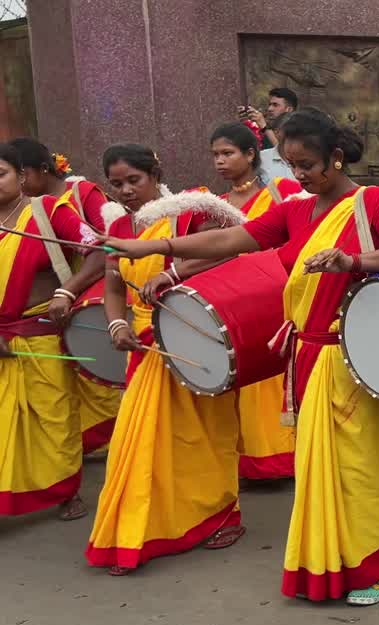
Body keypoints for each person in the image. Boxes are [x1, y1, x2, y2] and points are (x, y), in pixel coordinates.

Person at [102, 110, 379, 604]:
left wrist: (353, 261)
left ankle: (375, 568)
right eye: (292, 164)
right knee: (323, 470)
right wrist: (155, 249)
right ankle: (330, 566)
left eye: (308, 165)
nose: (299, 175)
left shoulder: (372, 201)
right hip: (310, 357)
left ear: (336, 158)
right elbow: (233, 238)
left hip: (359, 354)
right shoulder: (296, 210)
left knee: (364, 469)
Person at [85, 144, 246, 574]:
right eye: (116, 184)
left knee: (201, 437)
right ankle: (140, 531)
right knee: (138, 443)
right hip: (141, 346)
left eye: (133, 181)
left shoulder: (191, 209)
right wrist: (116, 325)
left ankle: (220, 513)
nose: (125, 191)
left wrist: (175, 273)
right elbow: (114, 284)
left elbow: (233, 250)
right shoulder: (118, 224)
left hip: (193, 338)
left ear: (155, 173)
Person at [0, 142, 106, 522]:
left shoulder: (47, 211)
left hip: (41, 330)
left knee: (54, 417)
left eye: (1, 174)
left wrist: (67, 291)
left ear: (23, 176)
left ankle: (65, 491)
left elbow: (98, 252)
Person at [201, 122, 302, 482]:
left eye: (227, 153)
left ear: (250, 154)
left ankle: (287, 457)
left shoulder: (284, 192)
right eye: (215, 155)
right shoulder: (214, 206)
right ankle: (252, 462)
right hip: (234, 302)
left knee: (276, 376)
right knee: (245, 373)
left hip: (277, 296)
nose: (220, 162)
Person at [11, 137, 120, 456]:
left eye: (21, 174)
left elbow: (108, 244)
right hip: (48, 307)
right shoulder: (18, 211)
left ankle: (104, 444)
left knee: (94, 377)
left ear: (42, 171)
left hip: (86, 294)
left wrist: (71, 289)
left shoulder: (79, 194)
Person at [245, 88, 298, 183]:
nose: (270, 109)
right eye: (269, 105)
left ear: (289, 109)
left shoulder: (302, 129)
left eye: (275, 105)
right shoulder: (263, 156)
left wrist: (264, 126)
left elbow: (284, 149)